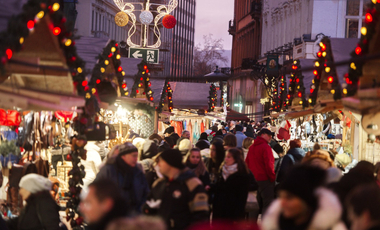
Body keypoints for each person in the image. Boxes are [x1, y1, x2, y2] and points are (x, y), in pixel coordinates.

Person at [262, 165, 346, 230]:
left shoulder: (332, 227)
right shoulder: (273, 224)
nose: (282, 203)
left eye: (289, 197)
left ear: (306, 200)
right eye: (281, 197)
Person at [144, 149, 209, 230]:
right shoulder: (159, 183)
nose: (158, 165)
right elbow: (149, 205)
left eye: (161, 161)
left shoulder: (192, 184)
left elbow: (201, 216)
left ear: (170, 163)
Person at [95, 142, 150, 214]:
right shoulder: (108, 170)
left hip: (134, 215)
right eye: (133, 156)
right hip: (113, 216)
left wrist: (140, 208)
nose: (136, 159)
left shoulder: (137, 170)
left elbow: (145, 192)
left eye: (137, 156)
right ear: (123, 156)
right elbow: (96, 191)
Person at [212, 148, 250, 221]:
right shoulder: (222, 170)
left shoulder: (242, 174)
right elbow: (219, 187)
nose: (226, 159)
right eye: (226, 156)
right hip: (219, 210)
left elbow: (242, 198)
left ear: (236, 159)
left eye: (229, 157)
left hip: (233, 212)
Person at [245, 128, 276, 216]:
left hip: (253, 179)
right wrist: (272, 178)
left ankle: (252, 226)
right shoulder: (266, 147)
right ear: (263, 135)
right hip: (264, 179)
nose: (270, 137)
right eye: (269, 135)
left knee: (254, 204)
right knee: (267, 203)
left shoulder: (252, 148)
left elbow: (246, 163)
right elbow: (269, 165)